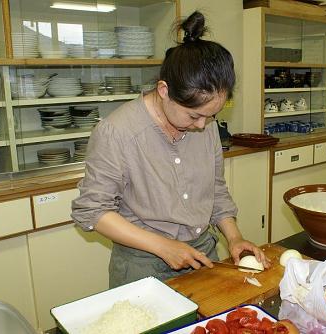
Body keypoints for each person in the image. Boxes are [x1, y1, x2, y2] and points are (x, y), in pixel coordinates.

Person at [71, 11, 269, 288]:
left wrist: (234, 237)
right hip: (142, 264)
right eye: (193, 116)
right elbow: (92, 212)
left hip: (202, 254)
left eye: (211, 116)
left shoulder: (205, 124)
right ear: (164, 90)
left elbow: (215, 188)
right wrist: (163, 246)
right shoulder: (118, 132)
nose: (203, 126)